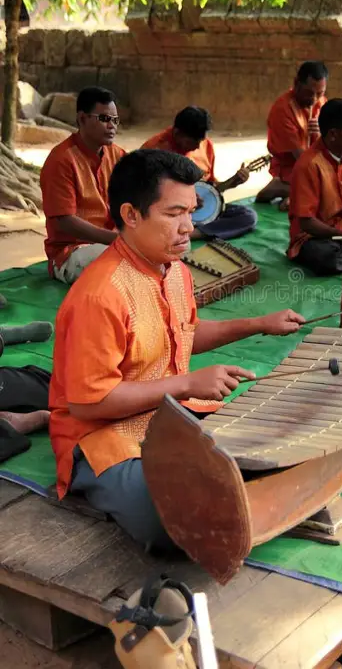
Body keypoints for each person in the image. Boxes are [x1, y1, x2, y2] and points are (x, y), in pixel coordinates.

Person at [49, 149, 305, 551]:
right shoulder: (99, 295)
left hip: (165, 416)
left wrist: (257, 324)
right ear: (131, 215)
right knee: (173, 518)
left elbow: (182, 335)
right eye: (173, 214)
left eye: (191, 211)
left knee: (272, 448)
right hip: (102, 438)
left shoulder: (174, 271)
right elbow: (88, 404)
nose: (188, 227)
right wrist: (186, 384)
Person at [40, 86, 125, 284]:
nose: (111, 126)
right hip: (72, 252)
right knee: (122, 264)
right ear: (82, 118)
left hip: (114, 242)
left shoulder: (118, 155)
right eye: (104, 119)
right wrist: (117, 241)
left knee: (172, 249)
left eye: (115, 120)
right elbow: (65, 221)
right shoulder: (61, 160)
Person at [142, 107, 257, 240]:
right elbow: (145, 195)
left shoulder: (205, 145)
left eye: (200, 140)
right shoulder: (153, 151)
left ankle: (190, 234)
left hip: (198, 213)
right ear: (177, 133)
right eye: (194, 141)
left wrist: (232, 182)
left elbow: (210, 186)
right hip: (171, 213)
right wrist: (181, 199)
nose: (198, 146)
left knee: (247, 215)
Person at [287, 99, 342, 275]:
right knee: (327, 258)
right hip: (315, 237)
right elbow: (306, 222)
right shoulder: (308, 165)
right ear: (333, 134)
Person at [256, 61, 328, 209]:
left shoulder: (321, 103)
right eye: (309, 93)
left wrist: (322, 135)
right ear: (296, 84)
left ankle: (297, 194)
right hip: (292, 167)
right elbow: (301, 159)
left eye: (319, 93)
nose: (314, 99)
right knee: (328, 192)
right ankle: (283, 187)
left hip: (314, 163)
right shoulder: (282, 110)